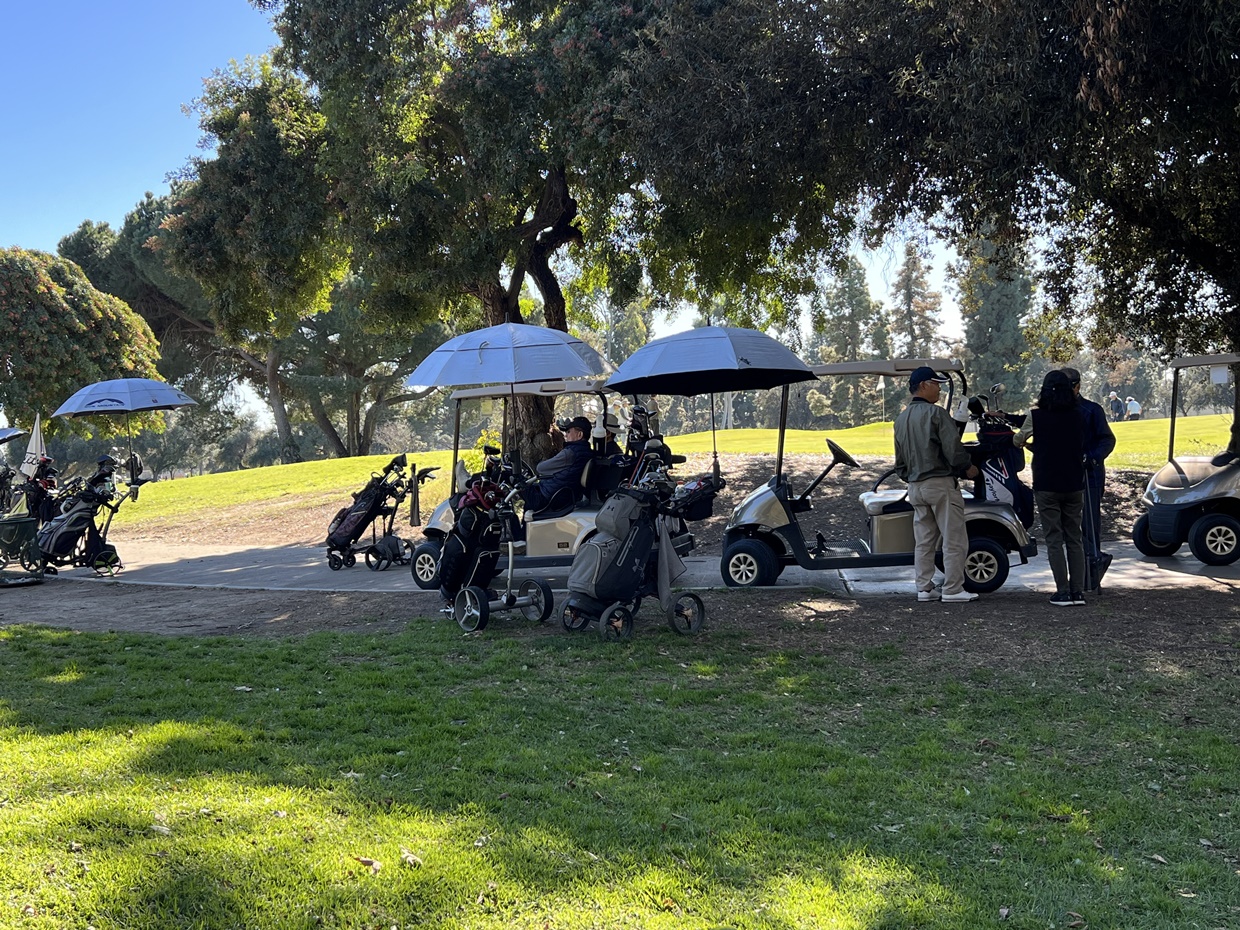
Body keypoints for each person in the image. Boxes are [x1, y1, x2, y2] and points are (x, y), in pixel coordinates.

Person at [893, 366, 980, 603]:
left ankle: (924, 588)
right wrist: (968, 468)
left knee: (924, 540)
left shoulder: (900, 419)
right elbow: (954, 450)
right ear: (923, 385)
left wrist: (911, 477)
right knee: (954, 539)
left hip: (915, 486)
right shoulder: (936, 414)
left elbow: (899, 463)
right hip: (940, 484)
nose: (940, 390)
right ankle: (953, 589)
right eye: (936, 384)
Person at [1015, 370, 1087, 606]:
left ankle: (1062, 591)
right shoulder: (1079, 415)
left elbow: (1018, 439)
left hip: (1046, 482)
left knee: (1054, 538)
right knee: (1074, 537)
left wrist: (1029, 444)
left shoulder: (1036, 416)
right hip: (1074, 481)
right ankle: (1078, 591)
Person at [1061, 368, 1116, 590]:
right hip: (1065, 476)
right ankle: (1078, 574)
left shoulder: (1092, 410)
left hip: (1089, 475)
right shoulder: (1056, 411)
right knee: (1068, 525)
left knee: (1089, 525)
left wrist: (1091, 458)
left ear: (1077, 387)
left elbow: (1107, 440)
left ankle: (1091, 574)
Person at [520, 415, 593, 513]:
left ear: (579, 434)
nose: (566, 435)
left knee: (510, 477)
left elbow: (541, 468)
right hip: (562, 495)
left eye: (568, 432)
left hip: (548, 497)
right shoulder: (587, 452)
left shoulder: (570, 453)